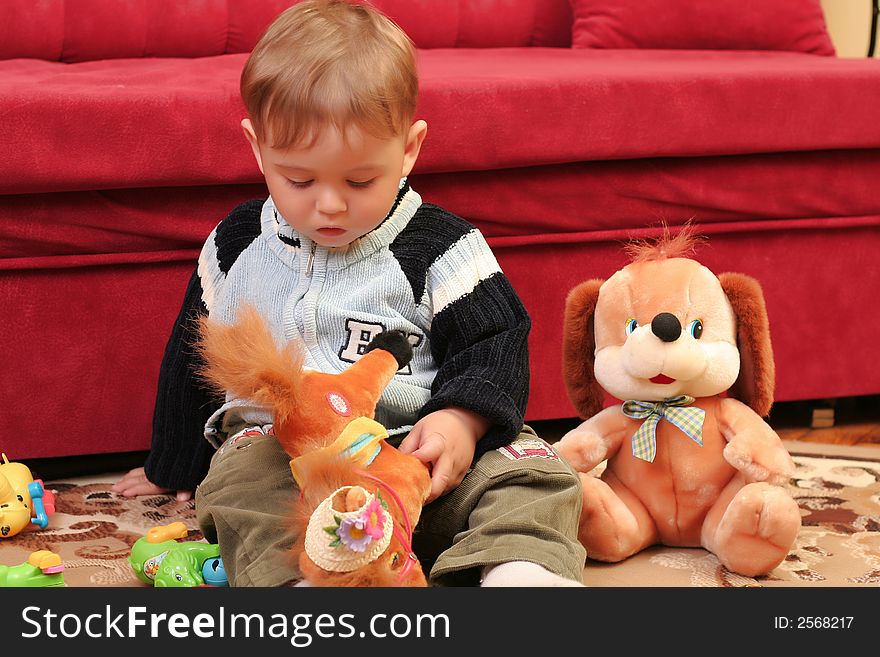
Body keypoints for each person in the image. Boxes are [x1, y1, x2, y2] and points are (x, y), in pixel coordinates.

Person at [113, 0, 585, 587]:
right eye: (300, 179)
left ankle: (521, 570)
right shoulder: (236, 246)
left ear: (409, 149)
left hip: (415, 456)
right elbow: (195, 356)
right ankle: (307, 580)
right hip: (288, 462)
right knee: (236, 485)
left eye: (361, 181)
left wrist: (461, 421)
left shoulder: (441, 247)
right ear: (257, 147)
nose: (330, 205)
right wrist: (173, 463)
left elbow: (497, 342)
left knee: (535, 471)